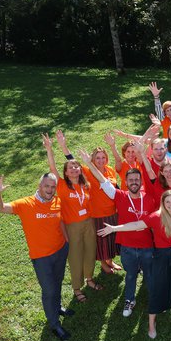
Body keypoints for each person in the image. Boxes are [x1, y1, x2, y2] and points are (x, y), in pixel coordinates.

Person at [0, 172, 73, 340]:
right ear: (39, 186)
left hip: (60, 250)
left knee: (57, 282)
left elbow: (61, 221)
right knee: (49, 290)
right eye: (46, 186)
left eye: (52, 187)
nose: (50, 190)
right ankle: (55, 324)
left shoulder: (57, 201)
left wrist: (67, 241)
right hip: (41, 257)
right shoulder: (26, 204)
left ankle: (56, 308)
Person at [98, 190, 171, 338]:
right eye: (168, 202)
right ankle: (151, 322)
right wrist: (114, 228)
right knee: (158, 287)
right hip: (161, 255)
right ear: (163, 204)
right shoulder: (156, 217)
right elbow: (136, 224)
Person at [78, 150, 156, 317]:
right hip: (127, 247)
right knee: (130, 275)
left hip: (147, 247)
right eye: (131, 180)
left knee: (149, 274)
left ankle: (155, 298)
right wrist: (89, 163)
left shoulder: (150, 199)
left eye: (137, 179)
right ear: (126, 182)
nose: (134, 182)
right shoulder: (119, 196)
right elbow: (103, 181)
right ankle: (129, 300)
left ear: (141, 182)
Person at [42, 134, 99, 303]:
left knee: (90, 251)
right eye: (70, 168)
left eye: (76, 167)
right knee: (75, 256)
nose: (74, 169)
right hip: (72, 226)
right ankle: (76, 287)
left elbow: (76, 162)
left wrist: (65, 146)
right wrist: (50, 149)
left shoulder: (85, 184)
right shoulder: (61, 185)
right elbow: (52, 167)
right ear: (65, 173)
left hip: (89, 223)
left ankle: (89, 279)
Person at [56, 131, 122, 274]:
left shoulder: (110, 170)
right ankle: (104, 263)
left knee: (111, 239)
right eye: (97, 158)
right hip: (97, 214)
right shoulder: (87, 171)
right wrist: (63, 146)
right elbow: (72, 161)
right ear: (92, 159)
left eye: (103, 157)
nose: (100, 160)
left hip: (112, 212)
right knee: (102, 241)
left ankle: (110, 261)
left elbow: (116, 189)